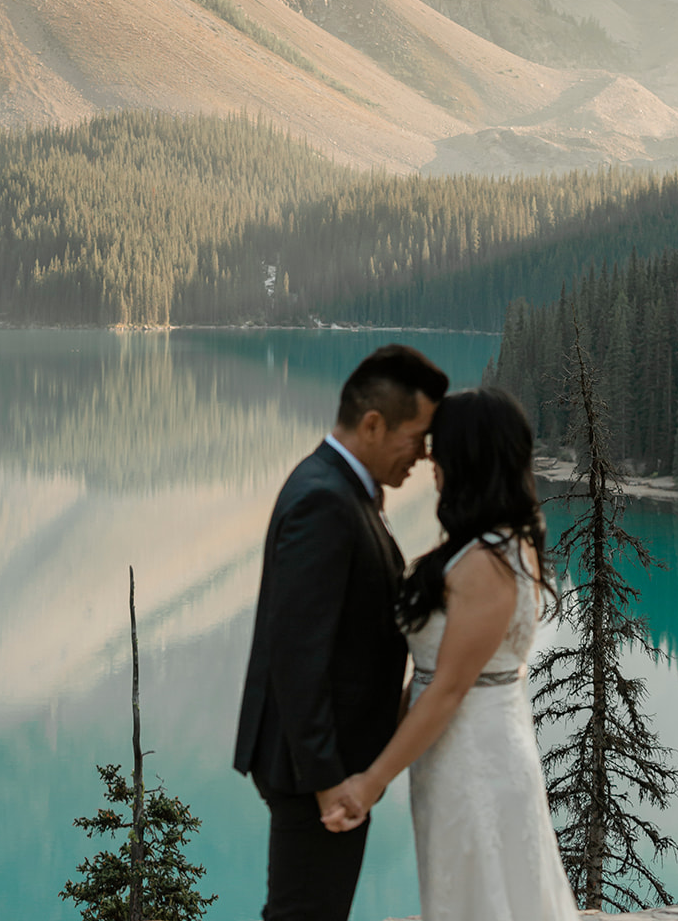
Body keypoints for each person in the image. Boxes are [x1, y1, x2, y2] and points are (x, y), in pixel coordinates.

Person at [321, 388, 578, 921]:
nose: (429, 460)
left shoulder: (488, 562)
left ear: (469, 458)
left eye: (438, 448)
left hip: (476, 756)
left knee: (481, 895)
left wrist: (370, 784)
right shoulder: (487, 544)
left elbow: (448, 690)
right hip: (459, 753)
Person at [234, 343, 449, 921]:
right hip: (317, 772)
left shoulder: (342, 489)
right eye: (417, 437)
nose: (423, 455)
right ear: (374, 424)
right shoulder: (324, 500)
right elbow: (297, 653)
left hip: (333, 762)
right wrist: (328, 780)